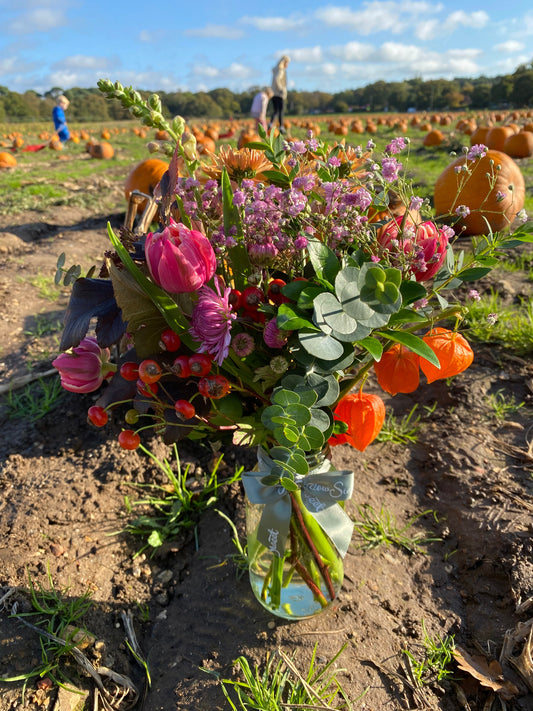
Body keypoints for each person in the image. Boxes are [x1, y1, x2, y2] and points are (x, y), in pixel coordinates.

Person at [268, 56, 290, 134]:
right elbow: (277, 79)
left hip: (273, 93)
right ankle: (281, 127)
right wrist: (281, 89)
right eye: (287, 63)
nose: (287, 65)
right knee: (280, 111)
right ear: (284, 62)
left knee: (275, 111)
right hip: (279, 93)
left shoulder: (275, 69)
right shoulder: (281, 70)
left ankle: (270, 125)